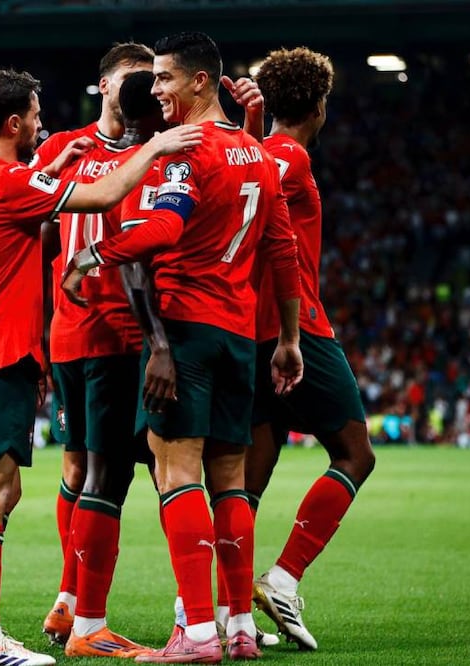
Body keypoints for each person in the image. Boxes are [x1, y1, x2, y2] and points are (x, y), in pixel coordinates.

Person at [0, 68, 201, 666]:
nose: (41, 124)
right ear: (14, 123)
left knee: (3, 490)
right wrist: (157, 145)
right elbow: (107, 196)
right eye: (34, 115)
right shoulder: (10, 184)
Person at [62, 32, 302, 663]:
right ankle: (240, 628)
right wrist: (290, 339)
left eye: (165, 77)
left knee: (176, 478)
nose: (157, 89)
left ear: (200, 81)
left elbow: (163, 227)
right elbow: (283, 249)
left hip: (186, 329)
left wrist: (93, 255)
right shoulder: (256, 153)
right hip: (238, 336)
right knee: (230, 484)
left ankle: (197, 632)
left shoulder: (181, 154)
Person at [244, 46, 377, 652]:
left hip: (246, 328)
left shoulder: (257, 150)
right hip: (293, 330)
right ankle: (284, 578)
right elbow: (263, 187)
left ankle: (226, 609)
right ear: (318, 106)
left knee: (250, 475)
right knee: (355, 453)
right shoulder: (289, 154)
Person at [33, 43, 155, 647]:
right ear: (102, 86)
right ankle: (85, 611)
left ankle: (69, 600)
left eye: (151, 80)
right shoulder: (66, 148)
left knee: (89, 468)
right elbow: (34, 240)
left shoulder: (142, 143)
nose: (143, 89)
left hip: (111, 330)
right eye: (134, 79)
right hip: (98, 333)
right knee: (103, 470)